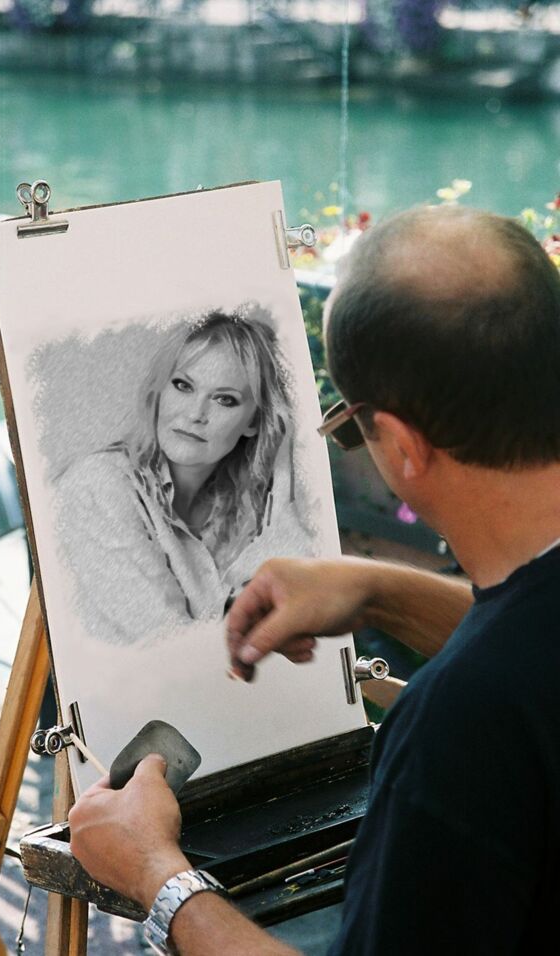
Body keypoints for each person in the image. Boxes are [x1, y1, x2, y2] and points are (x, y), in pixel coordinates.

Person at [68, 204, 560, 954]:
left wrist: (158, 877)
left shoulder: (456, 730)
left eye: (349, 428)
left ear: (400, 445)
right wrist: (379, 589)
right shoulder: (505, 682)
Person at [54, 310, 312, 643]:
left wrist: (282, 465)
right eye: (183, 385)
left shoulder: (240, 513)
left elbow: (290, 611)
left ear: (253, 422)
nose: (195, 414)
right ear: (160, 391)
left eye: (225, 400)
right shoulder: (96, 485)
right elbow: (168, 643)